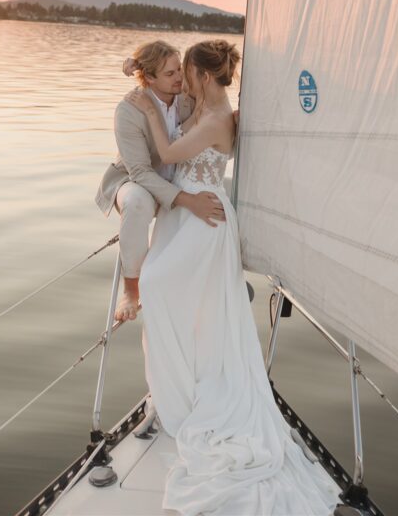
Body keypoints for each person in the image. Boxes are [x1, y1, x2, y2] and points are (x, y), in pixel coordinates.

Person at [127, 39, 341, 516]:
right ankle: (182, 382)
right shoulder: (206, 107)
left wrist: (144, 105)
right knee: (183, 301)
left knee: (158, 286)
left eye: (187, 72)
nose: (183, 80)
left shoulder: (217, 120)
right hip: (187, 215)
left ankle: (184, 391)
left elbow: (166, 149)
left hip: (204, 220)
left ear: (203, 75)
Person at [95, 40, 227, 323]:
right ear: (150, 78)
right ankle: (131, 289)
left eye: (179, 69)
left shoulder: (186, 98)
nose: (179, 77)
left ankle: (211, 285)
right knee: (137, 202)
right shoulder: (128, 110)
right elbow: (141, 172)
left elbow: (211, 84)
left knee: (218, 203)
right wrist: (187, 200)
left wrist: (233, 119)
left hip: (177, 178)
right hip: (134, 179)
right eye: (170, 74)